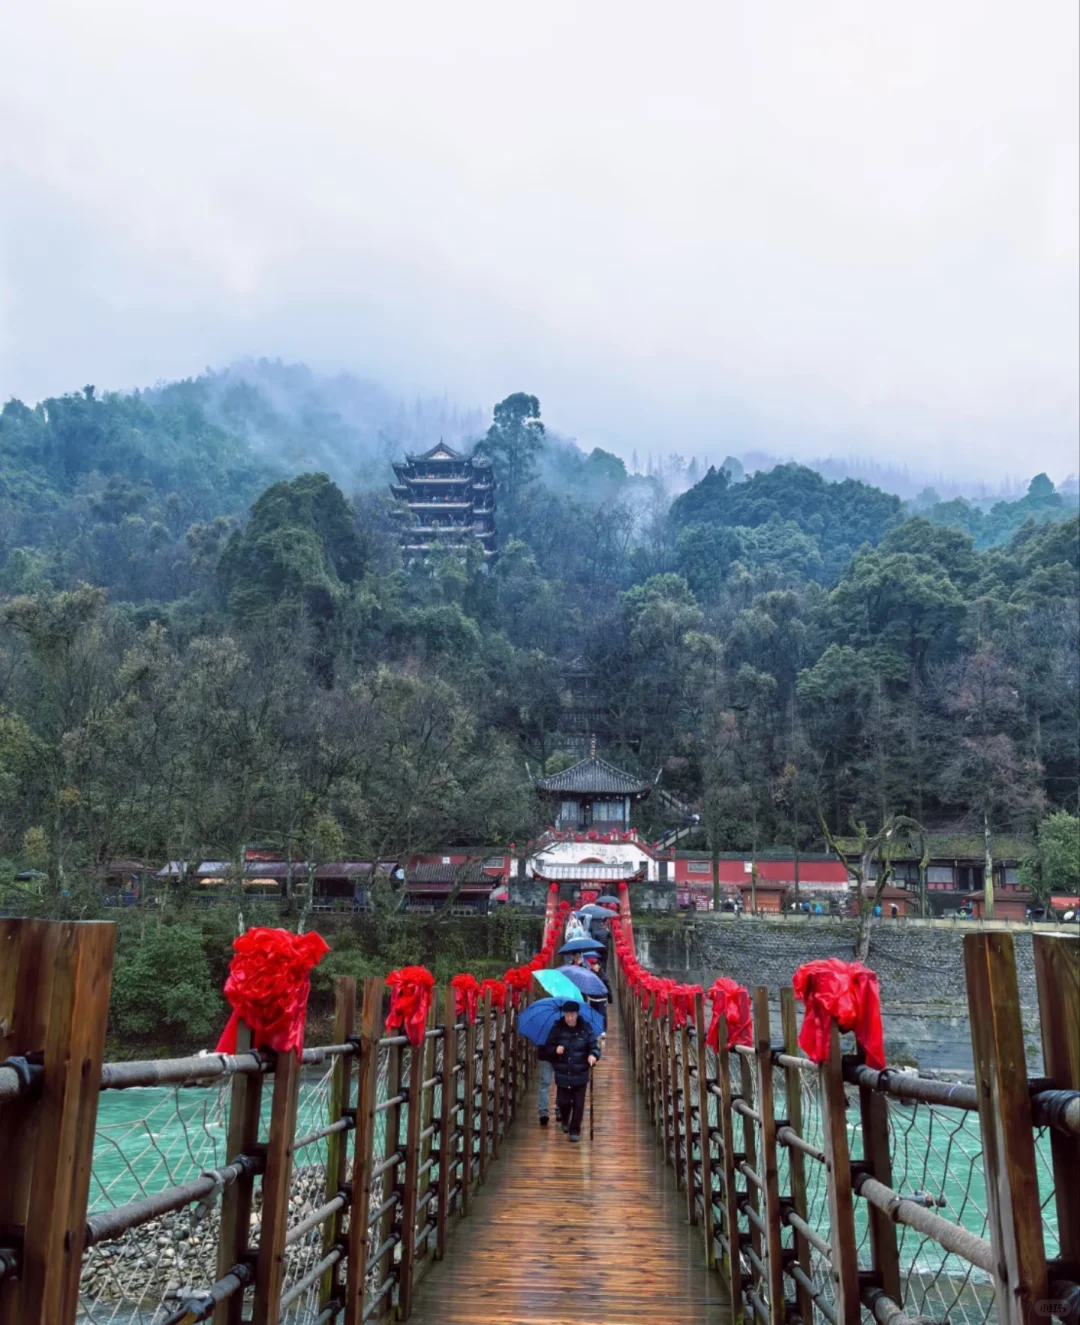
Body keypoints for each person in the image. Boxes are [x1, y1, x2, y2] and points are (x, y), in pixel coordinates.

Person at [539, 1001, 600, 1142]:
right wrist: (555, 1050)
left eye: (572, 1015)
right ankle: (565, 1119)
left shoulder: (586, 1029)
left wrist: (593, 1055)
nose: (569, 1018)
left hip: (580, 1072)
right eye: (567, 1015)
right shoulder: (557, 1028)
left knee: (579, 1103)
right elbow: (547, 1047)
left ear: (577, 1014)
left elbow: (594, 1046)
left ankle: (575, 1130)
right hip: (563, 1072)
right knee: (564, 1102)